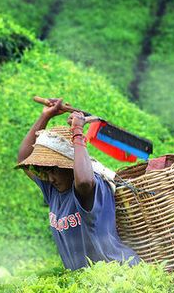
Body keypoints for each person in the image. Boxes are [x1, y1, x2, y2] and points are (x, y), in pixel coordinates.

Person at [16, 98, 139, 271]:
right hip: (88, 283)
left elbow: (84, 181)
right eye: (46, 171)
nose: (50, 178)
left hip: (117, 274)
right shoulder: (53, 190)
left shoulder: (89, 187)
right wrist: (45, 116)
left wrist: (78, 132)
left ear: (70, 166)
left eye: (54, 170)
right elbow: (24, 159)